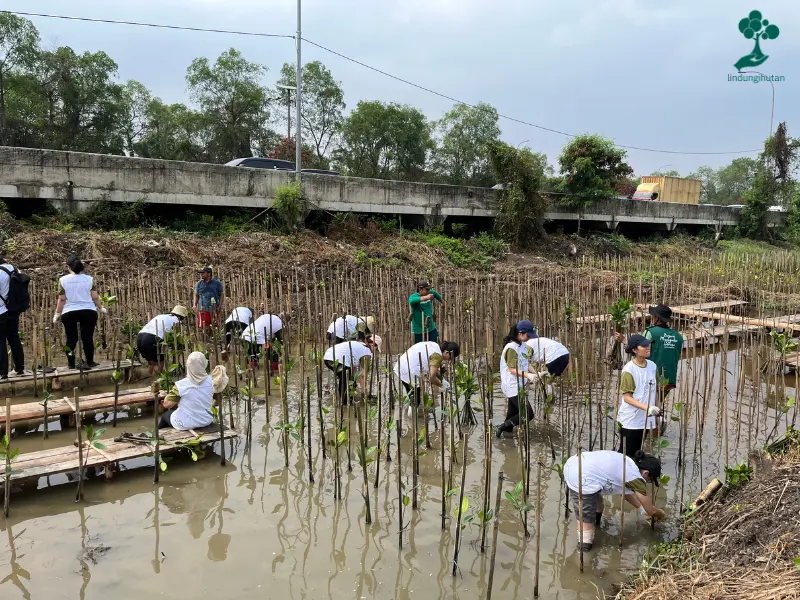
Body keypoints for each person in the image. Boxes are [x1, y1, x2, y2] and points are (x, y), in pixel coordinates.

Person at [563, 449, 665, 551]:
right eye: (650, 481)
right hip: (582, 477)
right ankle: (584, 553)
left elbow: (625, 492)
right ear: (646, 473)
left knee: (599, 506)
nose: (647, 483)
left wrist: (641, 508)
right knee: (586, 529)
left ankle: (597, 526)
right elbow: (650, 510)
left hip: (574, 464)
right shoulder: (635, 477)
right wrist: (660, 514)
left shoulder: (629, 462)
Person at [615, 303, 683, 401]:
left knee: (646, 407)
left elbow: (639, 350)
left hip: (652, 378)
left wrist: (624, 341)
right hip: (669, 380)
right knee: (656, 406)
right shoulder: (678, 336)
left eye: (654, 316)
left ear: (657, 318)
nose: (652, 317)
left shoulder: (650, 332)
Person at [53, 255, 106, 370]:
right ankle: (90, 362)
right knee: (87, 338)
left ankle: (71, 364)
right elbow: (95, 297)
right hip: (89, 312)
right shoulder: (89, 279)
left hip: (69, 313)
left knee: (71, 339)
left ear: (68, 267)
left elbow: (62, 299)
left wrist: (57, 313)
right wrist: (101, 308)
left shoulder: (63, 280)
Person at [158, 351, 229, 430]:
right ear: (204, 364)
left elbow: (167, 405)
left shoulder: (181, 385)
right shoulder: (211, 381)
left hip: (185, 424)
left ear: (188, 366)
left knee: (165, 416)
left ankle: (158, 437)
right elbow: (216, 400)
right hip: (206, 420)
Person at [617, 334, 661, 457]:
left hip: (646, 420)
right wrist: (648, 408)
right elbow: (627, 398)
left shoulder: (652, 366)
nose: (648, 347)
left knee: (638, 453)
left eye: (648, 345)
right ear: (635, 350)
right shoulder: (629, 370)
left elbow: (654, 391)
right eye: (644, 346)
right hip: (630, 420)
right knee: (626, 455)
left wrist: (657, 414)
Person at [496, 320, 540, 438]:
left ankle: (505, 442)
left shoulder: (523, 346)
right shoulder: (511, 348)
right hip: (512, 385)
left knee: (512, 414)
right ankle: (501, 427)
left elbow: (525, 363)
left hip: (520, 384)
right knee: (528, 414)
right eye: (528, 335)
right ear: (520, 333)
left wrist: (537, 374)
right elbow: (512, 369)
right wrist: (528, 376)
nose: (529, 338)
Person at [393, 339, 460, 411]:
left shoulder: (435, 346)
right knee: (416, 400)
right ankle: (410, 419)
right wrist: (441, 385)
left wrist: (443, 380)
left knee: (413, 396)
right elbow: (431, 377)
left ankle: (408, 415)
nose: (449, 360)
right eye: (450, 358)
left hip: (401, 364)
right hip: (407, 371)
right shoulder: (437, 357)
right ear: (447, 352)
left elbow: (433, 369)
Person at [323, 334, 381, 404]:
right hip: (337, 360)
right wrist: (364, 394)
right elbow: (363, 375)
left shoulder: (360, 345)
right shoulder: (367, 353)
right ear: (372, 344)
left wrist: (356, 384)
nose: (375, 351)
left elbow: (354, 371)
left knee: (346, 379)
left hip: (328, 357)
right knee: (347, 380)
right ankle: (345, 403)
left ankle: (344, 400)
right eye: (376, 349)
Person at [137, 306, 189, 374]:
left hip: (140, 337)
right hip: (152, 338)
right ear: (182, 317)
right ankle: (157, 380)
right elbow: (177, 337)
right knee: (159, 362)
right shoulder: (177, 321)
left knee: (151, 363)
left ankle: (150, 379)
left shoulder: (160, 316)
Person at [0, 255, 25, 379]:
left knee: (1, 341)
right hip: (14, 310)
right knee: (14, 338)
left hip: (1, 311)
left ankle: (2, 372)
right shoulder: (14, 269)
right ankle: (19, 368)